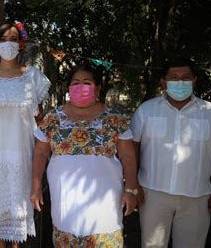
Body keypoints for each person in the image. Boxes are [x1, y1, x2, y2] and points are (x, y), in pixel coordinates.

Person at [131, 57, 211, 248]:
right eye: (174, 77)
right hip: (153, 194)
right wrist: (133, 185)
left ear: (194, 80)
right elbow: (133, 148)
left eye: (186, 77)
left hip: (196, 197)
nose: (180, 82)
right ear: (163, 82)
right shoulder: (146, 111)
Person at [31, 63, 138, 247]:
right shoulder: (53, 118)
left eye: (87, 82)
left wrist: (131, 189)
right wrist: (36, 186)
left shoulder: (114, 118)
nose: (81, 86)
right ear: (69, 88)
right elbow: (40, 153)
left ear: (97, 88)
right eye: (75, 82)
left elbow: (128, 156)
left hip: (105, 204)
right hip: (65, 203)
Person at [0, 23, 51, 247]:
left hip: (22, 150)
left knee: (18, 205)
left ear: (20, 44)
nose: (8, 43)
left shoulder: (34, 78)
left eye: (13, 38)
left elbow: (40, 119)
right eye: (3, 38)